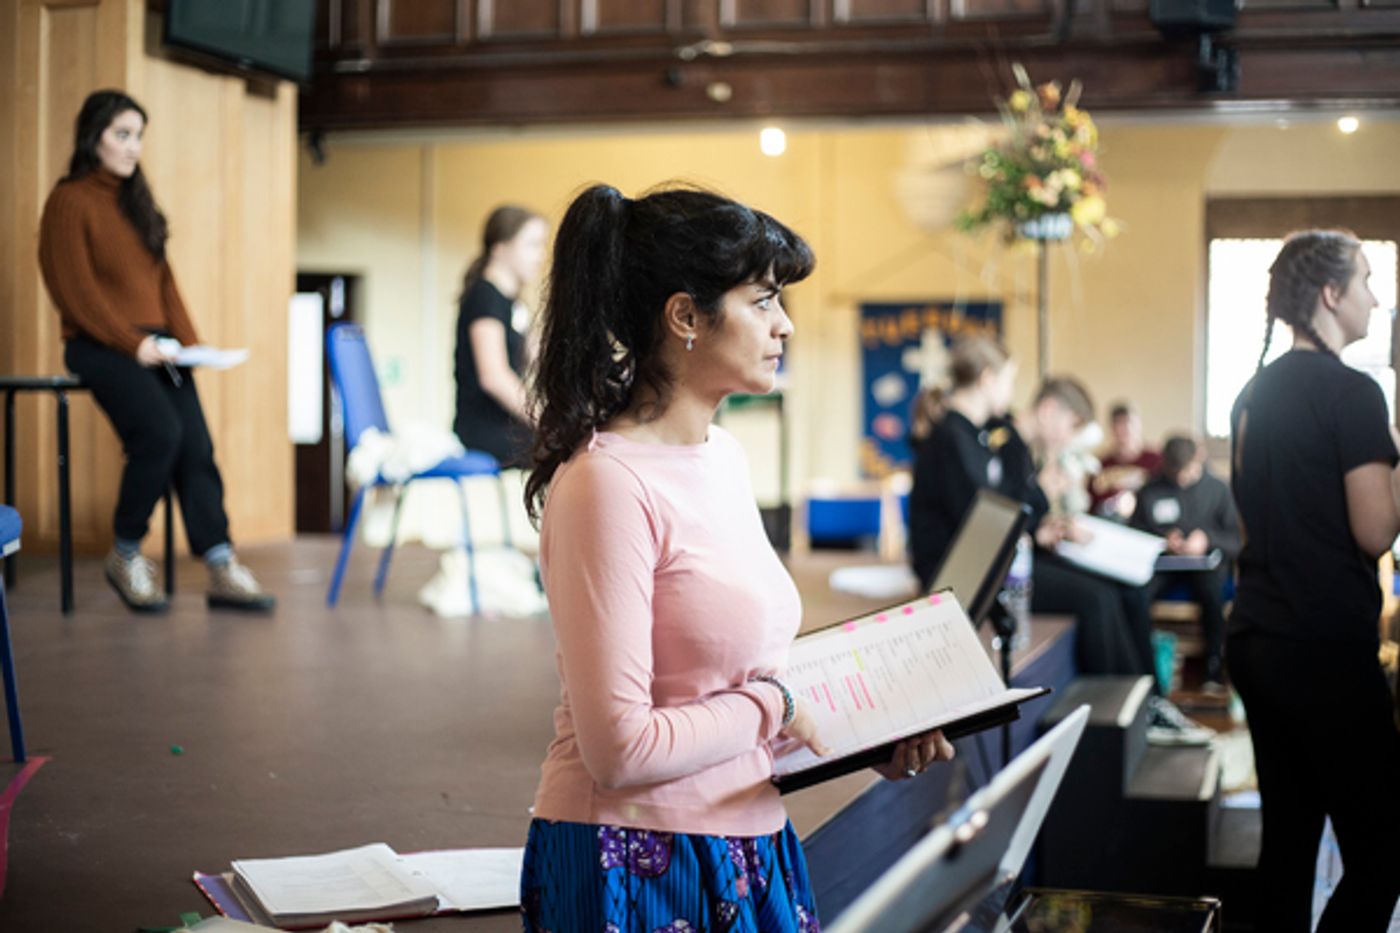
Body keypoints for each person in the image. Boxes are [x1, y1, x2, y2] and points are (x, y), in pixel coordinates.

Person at [519, 184, 955, 932]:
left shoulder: (722, 454)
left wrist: (855, 738)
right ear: (685, 316)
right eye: (763, 300)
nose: (784, 324)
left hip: (749, 836)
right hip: (635, 854)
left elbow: (732, 683)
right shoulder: (606, 484)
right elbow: (620, 750)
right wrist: (781, 704)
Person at [37, 89, 273, 614]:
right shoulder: (69, 201)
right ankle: (125, 554)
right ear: (93, 136)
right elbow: (73, 290)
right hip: (99, 344)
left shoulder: (136, 203)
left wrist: (192, 347)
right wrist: (133, 343)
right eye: (122, 134)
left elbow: (164, 285)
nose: (132, 146)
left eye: (139, 136)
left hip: (157, 346)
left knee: (197, 449)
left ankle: (220, 565)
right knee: (160, 434)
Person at [1229, 230, 1400, 932]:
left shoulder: (1251, 393)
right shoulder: (1354, 394)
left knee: (1289, 843)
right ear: (1331, 294)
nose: (1375, 296)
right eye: (1365, 279)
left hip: (1259, 641)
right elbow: (1376, 531)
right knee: (1385, 851)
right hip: (1325, 650)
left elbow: (1251, 520)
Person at [1020, 379, 1213, 746]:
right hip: (1027, 560)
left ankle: (1151, 699)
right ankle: (1124, 710)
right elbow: (1017, 515)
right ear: (1049, 411)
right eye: (1071, 426)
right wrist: (1048, 511)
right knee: (1099, 596)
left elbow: (1029, 513)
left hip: (1055, 545)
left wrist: (1050, 521)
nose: (1068, 437)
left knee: (1132, 587)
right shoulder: (1021, 449)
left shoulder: (1151, 461)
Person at [1130, 434, 1239, 691]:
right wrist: (1163, 540)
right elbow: (1135, 533)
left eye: (1186, 471)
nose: (1180, 479)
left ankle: (1213, 667)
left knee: (1212, 593)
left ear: (1198, 460)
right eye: (1174, 472)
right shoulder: (1150, 490)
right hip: (1165, 564)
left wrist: (1207, 539)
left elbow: (1235, 541)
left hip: (1206, 565)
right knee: (1137, 594)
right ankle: (1144, 668)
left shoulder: (1219, 490)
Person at [453, 205, 549, 467]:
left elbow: (538, 358)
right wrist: (548, 419)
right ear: (500, 247)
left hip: (505, 426)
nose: (540, 256)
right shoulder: (485, 297)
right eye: (532, 245)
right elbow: (494, 377)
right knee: (569, 450)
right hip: (485, 429)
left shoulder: (511, 303)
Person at [1090, 401, 1163, 519]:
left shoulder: (1156, 461)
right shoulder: (1100, 465)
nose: (1125, 430)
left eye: (1129, 423)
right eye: (1119, 424)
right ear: (1112, 429)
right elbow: (1092, 505)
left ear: (1139, 425)